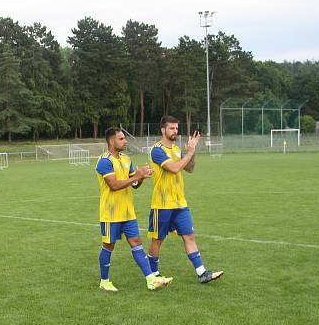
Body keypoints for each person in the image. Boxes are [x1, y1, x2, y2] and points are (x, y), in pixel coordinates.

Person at [147, 116, 224, 284]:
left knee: (189, 236)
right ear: (163, 130)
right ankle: (154, 274)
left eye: (176, 128)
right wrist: (188, 152)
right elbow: (175, 168)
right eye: (171, 128)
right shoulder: (157, 150)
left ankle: (202, 272)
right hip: (162, 204)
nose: (175, 131)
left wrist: (192, 150)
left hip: (180, 203)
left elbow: (189, 168)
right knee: (157, 240)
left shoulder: (176, 149)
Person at [96, 127, 172, 292]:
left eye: (124, 138)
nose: (125, 141)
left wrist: (141, 176)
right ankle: (104, 281)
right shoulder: (104, 161)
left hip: (128, 213)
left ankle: (150, 279)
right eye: (121, 138)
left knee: (136, 242)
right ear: (111, 141)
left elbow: (134, 184)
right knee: (108, 246)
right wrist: (136, 176)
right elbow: (114, 185)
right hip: (111, 213)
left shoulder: (126, 159)